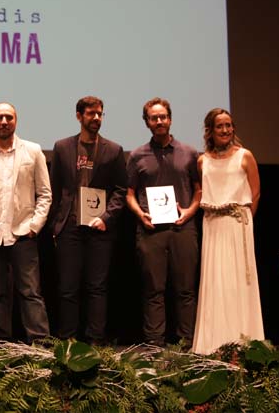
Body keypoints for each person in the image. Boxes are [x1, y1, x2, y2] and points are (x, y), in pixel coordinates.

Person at [0, 103, 52, 342]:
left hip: (23, 233)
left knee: (31, 293)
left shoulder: (33, 151)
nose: (4, 122)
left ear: (16, 121)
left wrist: (35, 226)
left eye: (8, 117)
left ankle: (40, 346)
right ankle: (0, 346)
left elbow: (45, 194)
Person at [48, 96, 127, 344]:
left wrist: (106, 217)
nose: (96, 118)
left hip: (100, 228)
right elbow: (56, 188)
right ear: (79, 116)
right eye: (91, 113)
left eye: (100, 114)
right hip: (70, 227)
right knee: (68, 289)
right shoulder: (62, 147)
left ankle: (95, 342)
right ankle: (68, 342)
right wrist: (55, 226)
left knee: (97, 288)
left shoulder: (113, 150)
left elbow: (121, 190)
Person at [125, 98, 200, 348]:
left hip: (183, 229)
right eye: (153, 118)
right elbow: (129, 194)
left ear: (170, 119)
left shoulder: (189, 153)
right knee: (153, 291)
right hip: (150, 231)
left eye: (163, 117)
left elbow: (199, 190)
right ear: (146, 122)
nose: (159, 121)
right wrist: (140, 214)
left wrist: (189, 211)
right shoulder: (137, 155)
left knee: (185, 290)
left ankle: (186, 343)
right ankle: (154, 345)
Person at [192, 108, 264, 354]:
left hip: (237, 225)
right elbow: (203, 191)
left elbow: (255, 192)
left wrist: (244, 221)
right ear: (210, 131)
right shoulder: (203, 161)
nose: (225, 130)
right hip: (213, 225)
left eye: (229, 125)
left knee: (238, 283)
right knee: (215, 282)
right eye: (220, 126)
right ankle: (214, 343)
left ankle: (244, 340)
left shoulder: (245, 156)